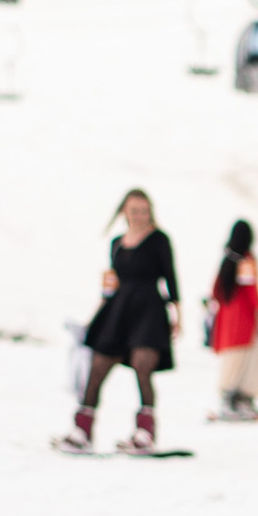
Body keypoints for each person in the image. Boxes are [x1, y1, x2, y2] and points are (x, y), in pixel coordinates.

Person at [57, 188, 180, 454]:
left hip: (149, 309)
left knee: (142, 365)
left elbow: (171, 278)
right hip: (119, 308)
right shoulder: (116, 243)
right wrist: (96, 316)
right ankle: (83, 429)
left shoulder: (159, 240)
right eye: (134, 210)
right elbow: (111, 283)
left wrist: (177, 315)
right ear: (124, 211)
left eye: (144, 211)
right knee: (98, 365)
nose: (139, 216)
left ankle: (145, 432)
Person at [207, 219, 258, 420]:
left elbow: (215, 291)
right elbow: (251, 290)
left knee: (233, 357)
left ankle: (233, 398)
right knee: (246, 357)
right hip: (243, 317)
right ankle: (238, 398)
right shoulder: (246, 260)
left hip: (226, 317)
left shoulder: (228, 259)